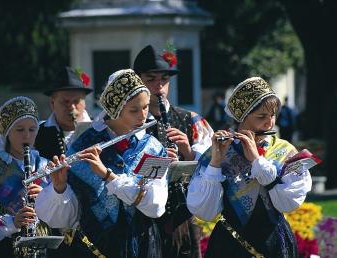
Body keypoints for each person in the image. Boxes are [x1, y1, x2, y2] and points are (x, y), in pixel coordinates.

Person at [35, 69, 169, 258]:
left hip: (144, 245)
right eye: (134, 110)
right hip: (96, 247)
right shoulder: (83, 145)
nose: (143, 116)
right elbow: (67, 219)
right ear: (114, 110)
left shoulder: (154, 148)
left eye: (146, 107)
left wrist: (108, 176)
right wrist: (59, 188)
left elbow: (156, 207)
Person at [187, 77, 312, 258]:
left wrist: (257, 160)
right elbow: (205, 211)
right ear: (241, 117)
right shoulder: (218, 150)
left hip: (274, 242)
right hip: (230, 243)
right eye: (261, 117)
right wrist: (215, 163)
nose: (270, 123)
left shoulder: (285, 151)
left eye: (273, 115)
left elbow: (289, 203)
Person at [134, 44, 214, 258]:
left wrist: (187, 153)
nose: (158, 86)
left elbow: (212, 169)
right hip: (140, 217)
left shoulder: (191, 119)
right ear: (137, 81)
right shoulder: (126, 123)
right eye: (150, 79)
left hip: (181, 217)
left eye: (164, 80)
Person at [0, 97, 51, 257]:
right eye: (19, 129)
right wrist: (12, 223)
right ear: (7, 133)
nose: (26, 136)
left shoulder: (46, 166)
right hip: (3, 250)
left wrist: (48, 197)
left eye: (32, 130)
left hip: (42, 249)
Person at [35, 66, 93, 160]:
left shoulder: (98, 128)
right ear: (52, 103)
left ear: (84, 103)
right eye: (65, 101)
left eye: (76, 101)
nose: (72, 107)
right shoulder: (36, 133)